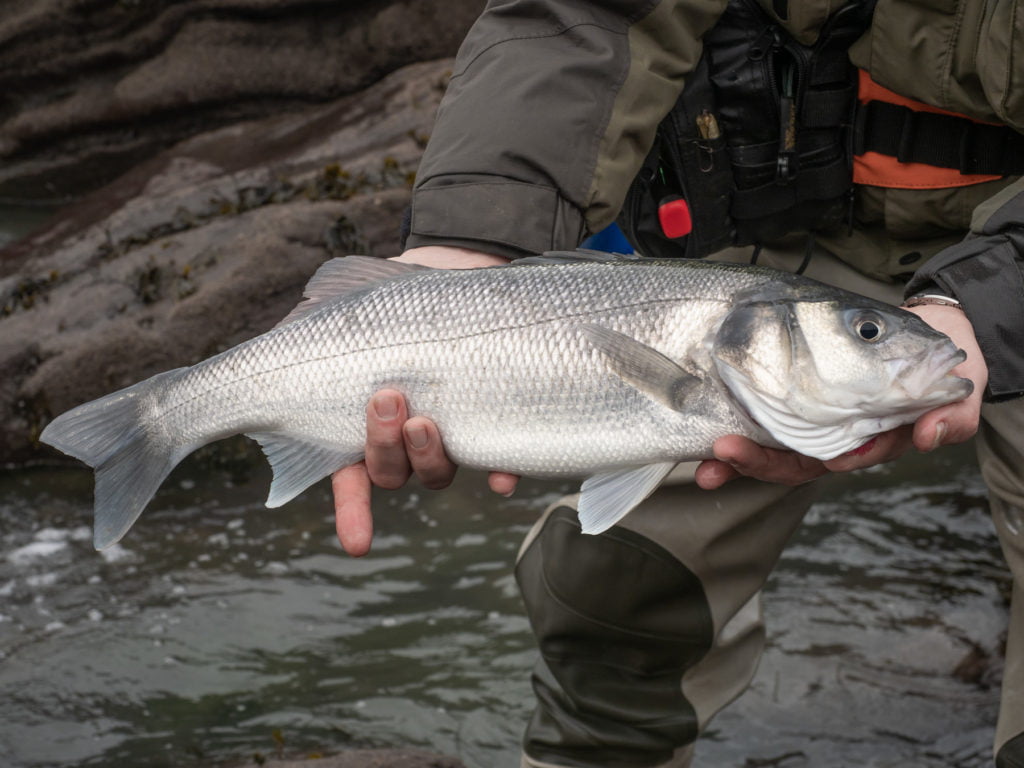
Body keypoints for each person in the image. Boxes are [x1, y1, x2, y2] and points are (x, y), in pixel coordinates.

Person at [329, 1, 1024, 765]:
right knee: (607, 584)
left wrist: (989, 306)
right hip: (760, 270)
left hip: (1002, 263)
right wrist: (473, 233)